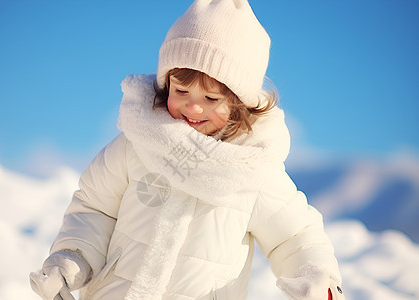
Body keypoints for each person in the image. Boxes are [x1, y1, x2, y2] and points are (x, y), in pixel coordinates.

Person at [30, 0, 345, 299]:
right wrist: (72, 258)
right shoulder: (136, 145)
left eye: (211, 99)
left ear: (240, 104)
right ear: (166, 85)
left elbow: (293, 236)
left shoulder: (253, 172)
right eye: (181, 90)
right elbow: (95, 208)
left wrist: (317, 279)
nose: (193, 106)